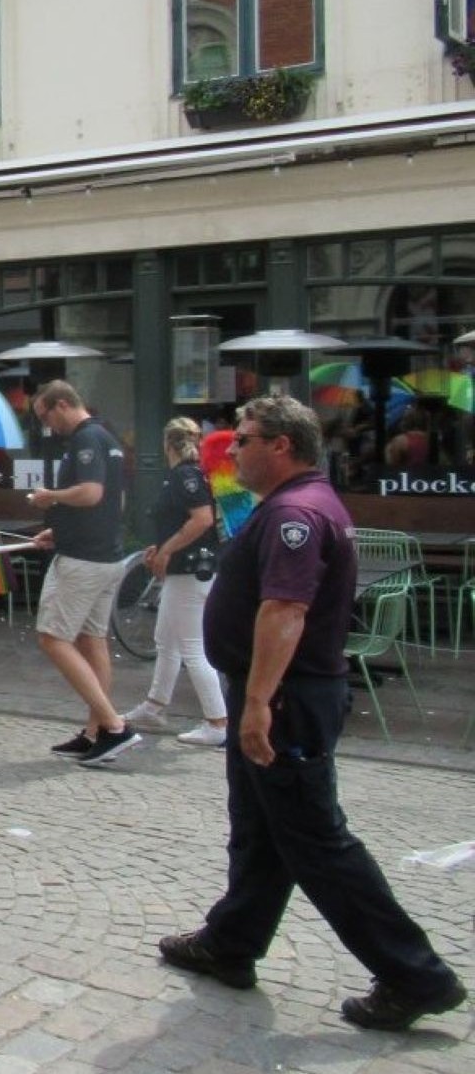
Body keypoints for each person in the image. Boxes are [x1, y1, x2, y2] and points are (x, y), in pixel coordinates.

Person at [159, 395, 466, 1032]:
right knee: (261, 829)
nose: (231, 450)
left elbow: (286, 612)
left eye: (243, 440)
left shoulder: (296, 512)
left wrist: (256, 705)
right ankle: (231, 942)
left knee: (318, 842)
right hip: (278, 692)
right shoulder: (293, 504)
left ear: (281, 446)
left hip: (285, 697)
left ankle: (416, 976)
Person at [26, 380, 140, 765]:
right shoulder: (106, 436)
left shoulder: (84, 439)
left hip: (83, 561)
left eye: (46, 416)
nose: (48, 426)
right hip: (104, 555)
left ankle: (113, 724)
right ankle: (98, 732)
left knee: (52, 638)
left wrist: (50, 497)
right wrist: (59, 529)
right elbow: (108, 503)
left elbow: (91, 494)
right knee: (93, 640)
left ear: (61, 404)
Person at [121, 417, 229, 748]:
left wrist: (166, 548)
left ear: (167, 444)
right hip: (188, 568)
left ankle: (217, 721)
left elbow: (201, 520)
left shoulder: (185, 477)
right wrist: (164, 544)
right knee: (166, 640)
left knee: (192, 648)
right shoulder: (193, 476)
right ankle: (155, 705)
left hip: (190, 570)